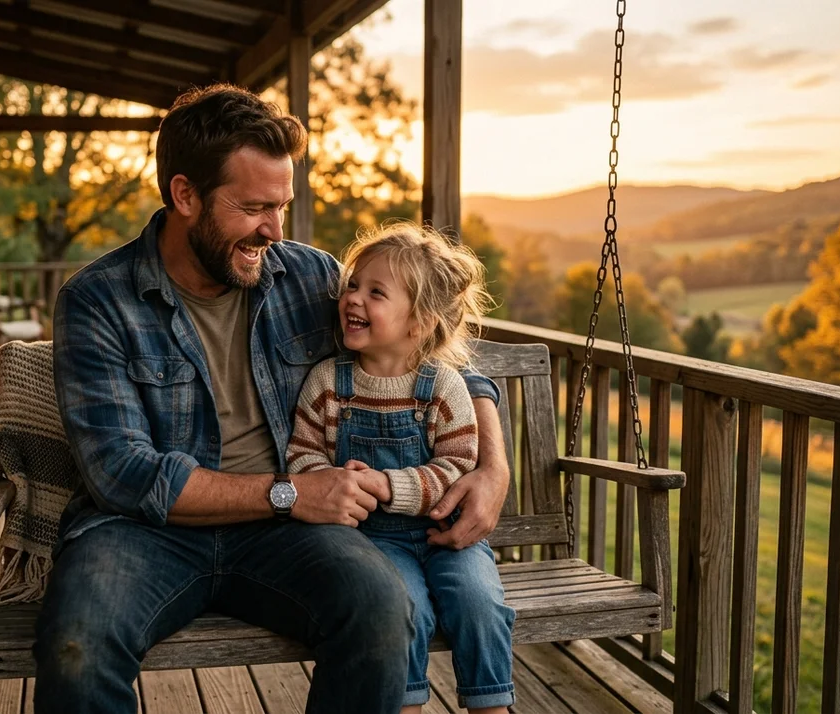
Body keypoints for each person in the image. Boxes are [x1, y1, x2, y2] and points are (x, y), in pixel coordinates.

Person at [36, 83, 511, 714]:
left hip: (285, 534)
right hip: (145, 532)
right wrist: (288, 492)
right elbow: (123, 474)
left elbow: (435, 352)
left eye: (283, 206)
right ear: (185, 196)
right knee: (76, 644)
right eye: (256, 207)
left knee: (381, 609)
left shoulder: (306, 276)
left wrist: (493, 467)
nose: (275, 230)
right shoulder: (98, 300)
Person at [287, 223, 517, 713]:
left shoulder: (443, 387)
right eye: (353, 285)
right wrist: (330, 483)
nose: (353, 299)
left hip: (449, 536)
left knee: (480, 604)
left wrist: (386, 485)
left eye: (376, 293)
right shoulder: (328, 382)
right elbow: (302, 455)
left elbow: (458, 468)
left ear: (418, 322)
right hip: (375, 540)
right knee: (399, 610)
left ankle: (490, 705)